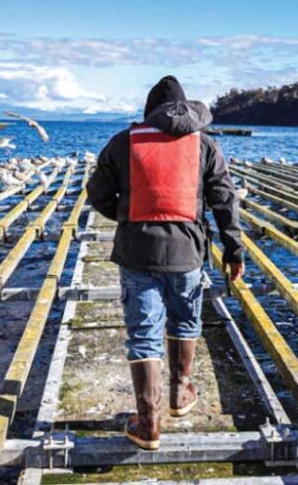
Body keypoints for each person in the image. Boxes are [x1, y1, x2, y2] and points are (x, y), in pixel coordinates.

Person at [87, 75, 245, 450]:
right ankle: (178, 395)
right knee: (186, 319)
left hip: (137, 250)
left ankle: (148, 423)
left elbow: (97, 193)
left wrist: (127, 217)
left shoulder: (124, 142)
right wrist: (233, 250)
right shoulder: (204, 144)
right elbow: (224, 200)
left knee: (143, 334)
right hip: (189, 252)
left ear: (149, 110)